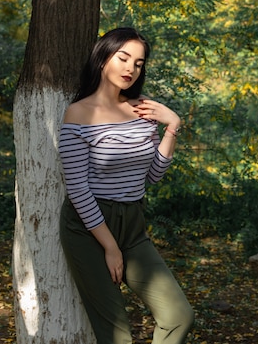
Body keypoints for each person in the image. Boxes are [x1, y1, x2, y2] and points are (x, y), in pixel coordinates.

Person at [58, 27, 194, 344]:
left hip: (132, 225)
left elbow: (152, 176)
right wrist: (109, 246)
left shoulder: (142, 109)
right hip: (89, 230)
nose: (131, 68)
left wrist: (172, 127)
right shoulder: (78, 114)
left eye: (139, 63)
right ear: (104, 57)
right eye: (123, 58)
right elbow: (78, 190)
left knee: (178, 317)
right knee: (117, 336)